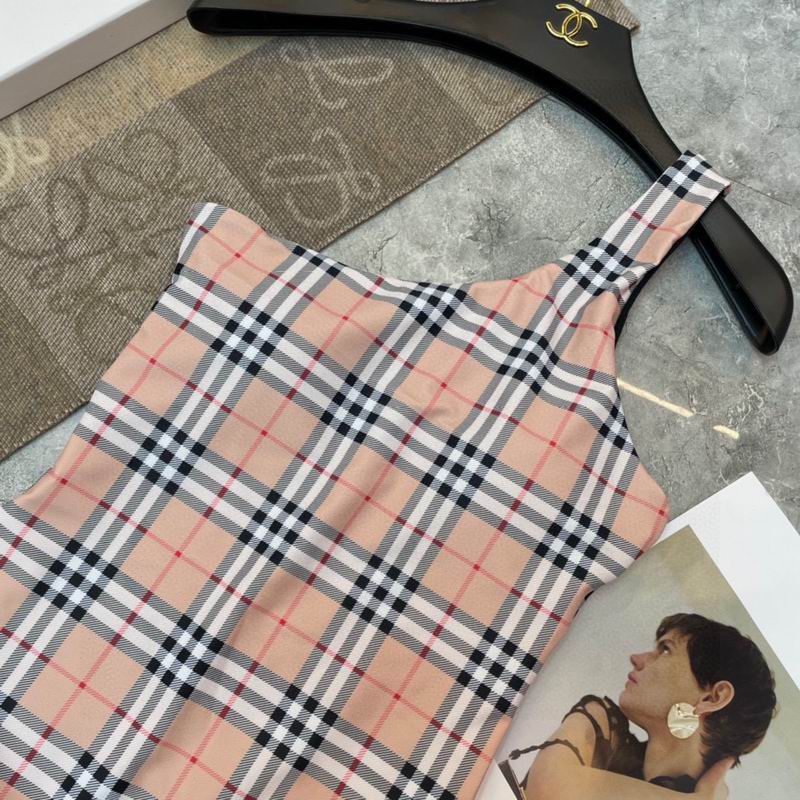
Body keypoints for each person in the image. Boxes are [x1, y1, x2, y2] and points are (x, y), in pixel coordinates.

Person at [498, 613, 778, 798]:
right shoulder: (602, 726)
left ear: (711, 698)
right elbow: (548, 789)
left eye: (665, 649)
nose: (637, 658)